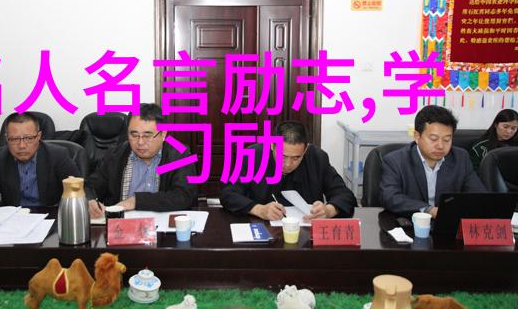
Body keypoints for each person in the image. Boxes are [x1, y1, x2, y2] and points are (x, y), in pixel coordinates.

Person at [220, 120, 357, 221]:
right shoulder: (252, 156)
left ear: (305, 150)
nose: (287, 164)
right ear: (272, 145)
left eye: (296, 158)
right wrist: (259, 209)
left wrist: (328, 210)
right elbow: (228, 194)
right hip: (262, 233)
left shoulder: (317, 158)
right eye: (282, 156)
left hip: (305, 236)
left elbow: (345, 195)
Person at [0, 112, 79, 216]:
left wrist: (87, 201)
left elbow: (81, 187)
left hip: (48, 217)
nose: (22, 146)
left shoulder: (57, 155)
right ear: (7, 138)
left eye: (28, 138)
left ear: (38, 137)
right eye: (14, 139)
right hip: (11, 219)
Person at [87, 103, 198, 218]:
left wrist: (137, 201)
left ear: (163, 134)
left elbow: (184, 196)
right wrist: (90, 200)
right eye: (134, 135)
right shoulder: (114, 155)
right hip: (121, 225)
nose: (140, 142)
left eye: (147, 136)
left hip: (162, 226)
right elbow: (90, 186)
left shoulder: (180, 155)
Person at [380, 105, 486, 219]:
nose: (440, 146)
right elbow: (390, 197)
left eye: (447, 139)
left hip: (448, 225)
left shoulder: (461, 158)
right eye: (433, 139)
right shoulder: (395, 161)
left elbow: (479, 196)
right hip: (409, 224)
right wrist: (429, 210)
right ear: (417, 136)